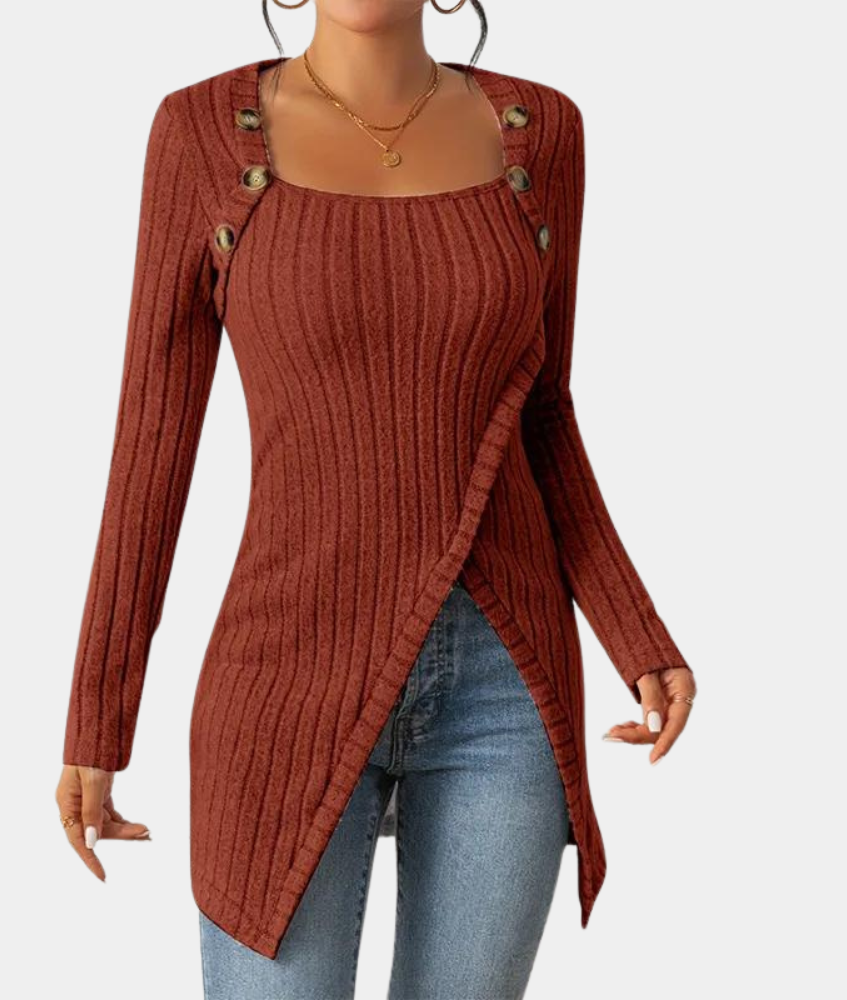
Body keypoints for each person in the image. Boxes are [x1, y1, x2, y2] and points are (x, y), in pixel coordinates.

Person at [55, 2, 698, 997]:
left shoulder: (540, 135)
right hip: (283, 675)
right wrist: (98, 720)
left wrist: (635, 632)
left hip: (505, 681)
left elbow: (543, 412)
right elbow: (151, 442)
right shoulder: (201, 135)